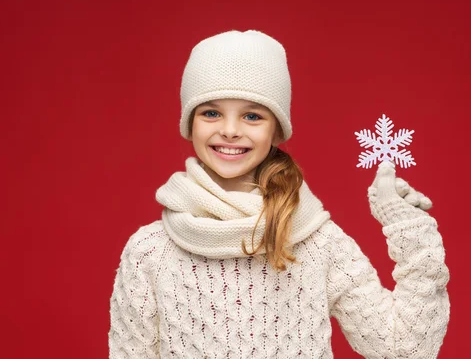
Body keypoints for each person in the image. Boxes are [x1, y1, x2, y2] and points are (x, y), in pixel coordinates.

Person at [108, 30, 450, 358]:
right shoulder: (149, 252)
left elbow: (404, 349)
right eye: (211, 112)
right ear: (190, 123)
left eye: (252, 115)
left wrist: (408, 228)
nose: (229, 130)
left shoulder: (317, 244)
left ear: (276, 128)